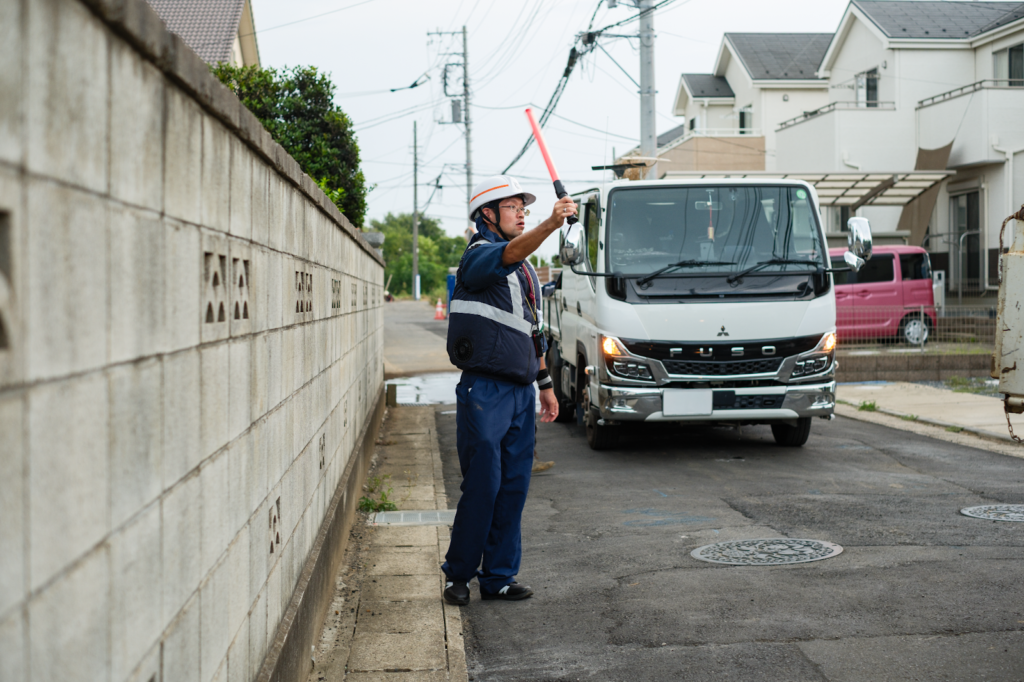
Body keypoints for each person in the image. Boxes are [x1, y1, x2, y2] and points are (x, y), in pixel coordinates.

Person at [442, 175, 576, 605]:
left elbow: (532, 331)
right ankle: (459, 575)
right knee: (483, 486)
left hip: (520, 393)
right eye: (512, 207)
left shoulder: (524, 271)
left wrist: (545, 385)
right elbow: (508, 253)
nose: (521, 213)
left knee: (514, 487)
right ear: (487, 213)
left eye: (524, 207)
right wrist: (551, 224)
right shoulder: (479, 256)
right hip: (484, 390)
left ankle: (498, 577)